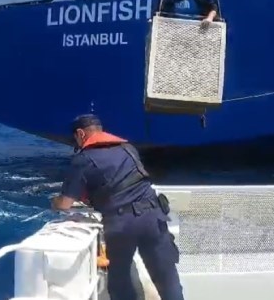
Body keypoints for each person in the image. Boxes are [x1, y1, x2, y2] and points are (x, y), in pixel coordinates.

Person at [51, 114, 184, 300]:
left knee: (120, 281)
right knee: (166, 277)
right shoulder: (128, 149)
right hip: (154, 216)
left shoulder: (82, 160)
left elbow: (65, 204)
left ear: (80, 134)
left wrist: (54, 202)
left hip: (122, 224)